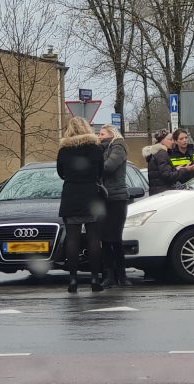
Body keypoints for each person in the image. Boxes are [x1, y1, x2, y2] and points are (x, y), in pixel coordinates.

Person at [57, 117, 106, 293]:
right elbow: (101, 170)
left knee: (72, 239)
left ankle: (72, 280)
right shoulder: (95, 147)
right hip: (91, 195)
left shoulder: (64, 149)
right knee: (94, 239)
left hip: (71, 194)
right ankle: (94, 279)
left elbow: (60, 172)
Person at [98, 124, 132, 288]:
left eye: (102, 133)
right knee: (104, 238)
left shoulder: (118, 146)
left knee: (115, 237)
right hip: (103, 198)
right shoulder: (102, 149)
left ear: (111, 134)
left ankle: (121, 274)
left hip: (117, 198)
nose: (99, 136)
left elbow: (108, 167)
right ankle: (109, 274)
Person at [143, 129, 194, 195]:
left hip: (158, 193)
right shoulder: (162, 154)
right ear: (162, 141)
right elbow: (167, 176)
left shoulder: (157, 153)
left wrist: (176, 169)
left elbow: (162, 173)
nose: (173, 142)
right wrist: (185, 169)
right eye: (170, 140)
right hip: (163, 194)